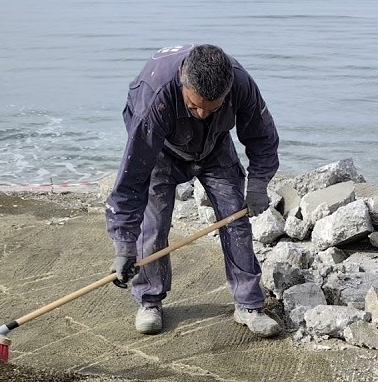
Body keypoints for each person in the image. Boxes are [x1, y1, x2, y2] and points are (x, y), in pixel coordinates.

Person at [105, 43, 281, 337]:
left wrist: (258, 184)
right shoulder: (154, 97)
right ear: (182, 83)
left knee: (235, 220)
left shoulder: (240, 83)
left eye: (212, 108)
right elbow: (131, 179)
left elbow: (262, 138)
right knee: (154, 225)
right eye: (193, 106)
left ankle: (249, 305)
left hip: (214, 147)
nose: (201, 114)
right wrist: (124, 246)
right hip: (161, 150)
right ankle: (149, 300)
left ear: (227, 92)